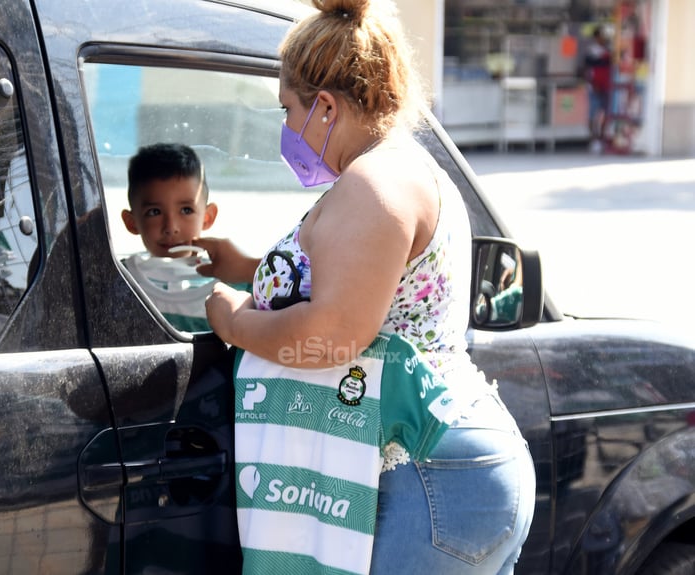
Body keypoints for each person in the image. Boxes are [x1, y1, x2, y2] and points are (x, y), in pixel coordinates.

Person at [195, 0, 536, 573]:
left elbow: (333, 335)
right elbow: (355, 283)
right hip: (449, 475)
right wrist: (247, 267)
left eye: (288, 110)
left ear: (324, 106)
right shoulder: (400, 171)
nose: (286, 130)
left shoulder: (374, 183)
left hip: (429, 479)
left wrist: (235, 323)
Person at [120, 142, 219, 332]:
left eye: (186, 210)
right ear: (132, 222)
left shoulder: (232, 285)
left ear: (207, 217)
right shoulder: (119, 281)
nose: (171, 227)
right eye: (154, 212)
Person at [585, 25, 612, 154]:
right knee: (593, 115)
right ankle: (593, 140)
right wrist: (592, 83)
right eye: (601, 36)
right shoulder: (591, 51)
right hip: (594, 87)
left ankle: (601, 139)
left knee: (605, 114)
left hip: (607, 86)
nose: (603, 38)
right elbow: (586, 70)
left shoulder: (608, 50)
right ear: (596, 37)